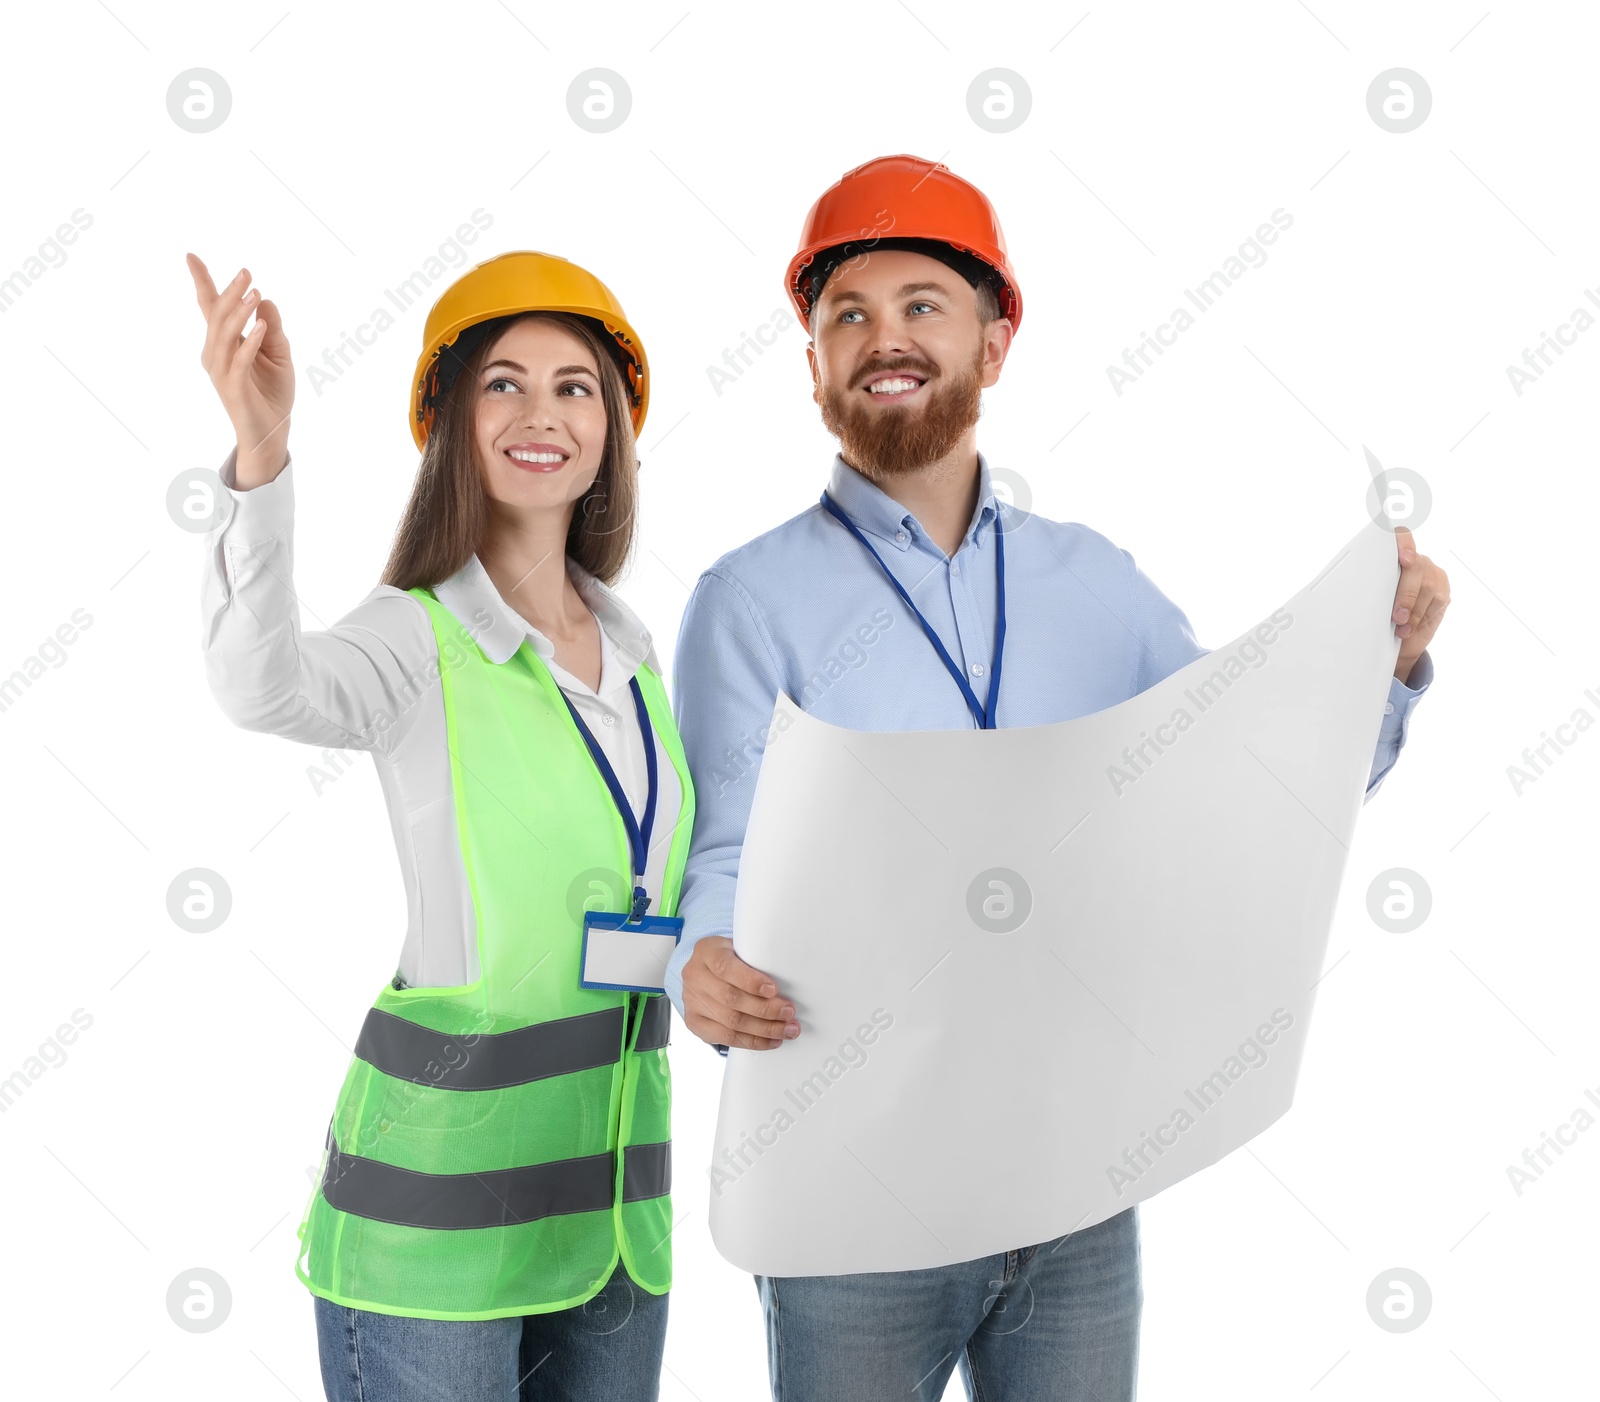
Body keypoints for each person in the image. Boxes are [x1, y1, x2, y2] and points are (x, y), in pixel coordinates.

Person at [663, 155, 1448, 1401]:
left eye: (922, 302)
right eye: (845, 316)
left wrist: (1381, 665)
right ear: (811, 361)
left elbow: (1241, 797)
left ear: (995, 338)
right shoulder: (749, 599)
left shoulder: (1095, 584)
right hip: (853, 1193)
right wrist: (695, 954)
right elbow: (717, 847)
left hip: (1074, 1181)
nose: (884, 339)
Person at [186, 248, 695, 1402]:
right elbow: (257, 686)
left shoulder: (636, 652)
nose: (541, 414)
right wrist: (260, 455)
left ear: (612, 426)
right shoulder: (417, 638)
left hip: (614, 1218)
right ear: (451, 420)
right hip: (436, 1235)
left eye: (575, 387)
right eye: (502, 383)